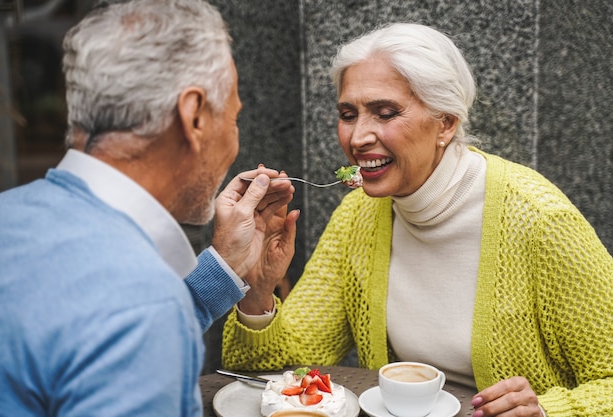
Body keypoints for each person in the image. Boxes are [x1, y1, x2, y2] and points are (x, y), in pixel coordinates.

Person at [221, 23, 613, 417]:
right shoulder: (357, 215)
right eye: (347, 114)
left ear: (446, 122)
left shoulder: (541, 220)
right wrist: (257, 286)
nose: (358, 137)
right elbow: (283, 371)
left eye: (385, 113)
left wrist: (547, 411)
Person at [0, 0, 299, 416]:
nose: (235, 139)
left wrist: (223, 267)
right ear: (195, 118)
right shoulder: (143, 308)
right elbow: (129, 320)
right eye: (235, 119)